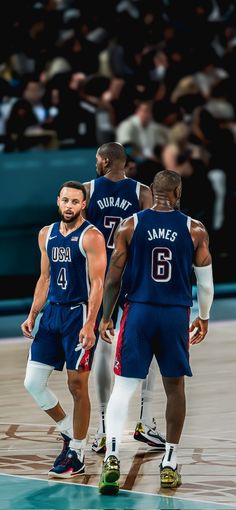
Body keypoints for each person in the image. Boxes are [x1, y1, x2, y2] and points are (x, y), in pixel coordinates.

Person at [98, 169, 214, 494]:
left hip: (139, 311)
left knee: (123, 387)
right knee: (175, 388)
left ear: (152, 190)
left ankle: (111, 457)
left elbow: (112, 277)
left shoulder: (130, 224)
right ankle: (169, 462)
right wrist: (203, 317)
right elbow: (206, 284)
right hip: (175, 314)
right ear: (178, 193)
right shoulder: (195, 229)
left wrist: (107, 316)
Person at [83, 142, 166, 454]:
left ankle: (104, 427)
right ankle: (144, 419)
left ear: (104, 161)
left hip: (101, 278)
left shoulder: (88, 190)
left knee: (102, 350)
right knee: (150, 344)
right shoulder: (142, 192)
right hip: (134, 277)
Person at [21, 181, 107, 478]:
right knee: (33, 382)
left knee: (77, 386)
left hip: (77, 315)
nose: (69, 206)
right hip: (52, 315)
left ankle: (78, 454)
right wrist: (33, 314)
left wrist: (91, 323)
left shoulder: (92, 236)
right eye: (65, 200)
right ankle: (70, 431)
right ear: (58, 201)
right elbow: (44, 278)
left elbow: (98, 284)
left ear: (83, 205)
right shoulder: (47, 234)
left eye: (75, 201)